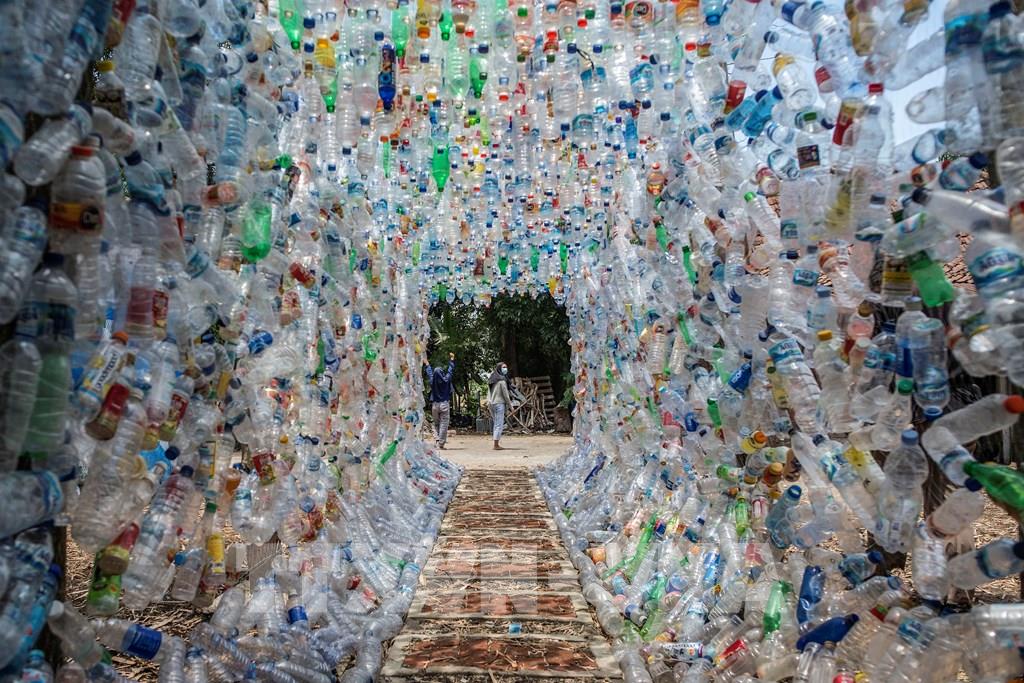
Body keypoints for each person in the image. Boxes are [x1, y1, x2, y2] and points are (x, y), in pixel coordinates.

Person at [425, 353, 455, 449]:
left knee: (436, 424)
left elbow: (429, 373)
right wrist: (452, 360)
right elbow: (450, 371)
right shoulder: (446, 380)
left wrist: (427, 364)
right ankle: (441, 444)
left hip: (435, 405)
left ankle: (438, 440)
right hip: (444, 404)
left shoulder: (432, 381)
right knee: (444, 424)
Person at [487, 362, 511, 450]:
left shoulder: (492, 379)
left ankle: (495, 443)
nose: (505, 369)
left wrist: (488, 402)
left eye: (506, 367)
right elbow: (506, 395)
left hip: (491, 403)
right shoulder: (502, 380)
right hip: (499, 404)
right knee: (499, 424)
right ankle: (496, 445)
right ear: (499, 368)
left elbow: (488, 393)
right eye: (503, 367)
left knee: (496, 423)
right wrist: (510, 406)